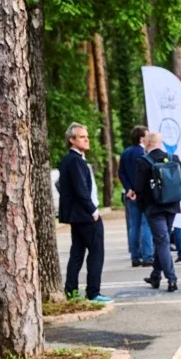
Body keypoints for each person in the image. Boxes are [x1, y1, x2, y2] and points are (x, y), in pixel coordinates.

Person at [58, 123, 111, 302]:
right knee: (96, 253)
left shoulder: (71, 160)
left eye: (87, 136)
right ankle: (93, 292)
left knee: (77, 253)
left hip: (77, 216)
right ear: (72, 140)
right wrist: (93, 210)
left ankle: (71, 291)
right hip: (86, 215)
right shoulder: (75, 161)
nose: (86, 140)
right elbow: (81, 189)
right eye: (82, 137)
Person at [136, 131, 181, 292]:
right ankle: (155, 276)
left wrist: (143, 206)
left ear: (147, 143)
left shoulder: (143, 161)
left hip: (153, 208)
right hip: (172, 206)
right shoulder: (174, 158)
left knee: (162, 241)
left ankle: (172, 279)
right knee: (163, 240)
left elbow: (139, 188)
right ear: (160, 143)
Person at [118, 125, 153, 268]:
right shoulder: (144, 154)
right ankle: (147, 256)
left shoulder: (125, 153)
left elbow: (121, 173)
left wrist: (129, 189)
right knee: (146, 225)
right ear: (141, 138)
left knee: (134, 225)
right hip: (143, 194)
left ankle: (135, 256)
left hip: (131, 194)